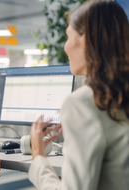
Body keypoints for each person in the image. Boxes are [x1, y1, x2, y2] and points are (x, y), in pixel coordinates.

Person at [28, 0, 129, 189]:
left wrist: (38, 157)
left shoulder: (82, 102)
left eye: (68, 37)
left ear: (85, 40)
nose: (66, 47)